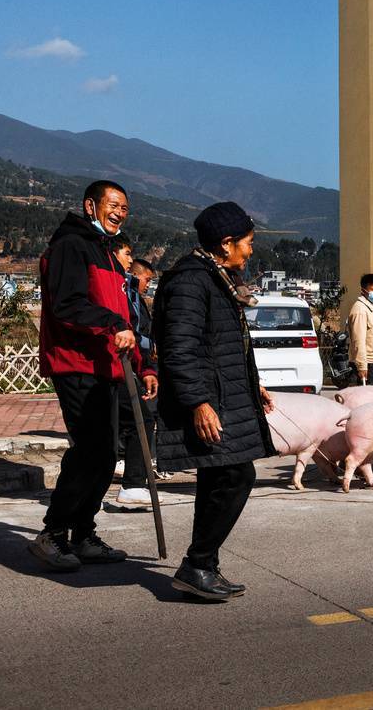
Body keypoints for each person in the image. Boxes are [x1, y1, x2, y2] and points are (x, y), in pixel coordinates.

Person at [29, 180, 157, 571]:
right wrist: (108, 324)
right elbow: (66, 305)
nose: (120, 212)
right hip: (76, 364)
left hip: (109, 367)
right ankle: (53, 533)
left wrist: (142, 363)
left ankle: (82, 533)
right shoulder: (71, 246)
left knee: (104, 456)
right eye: (113, 204)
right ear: (91, 206)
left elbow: (126, 317)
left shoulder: (105, 252)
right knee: (91, 451)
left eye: (125, 208)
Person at [153, 201, 275, 601]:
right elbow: (179, 349)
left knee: (218, 476)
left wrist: (250, 385)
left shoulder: (214, 275)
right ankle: (197, 564)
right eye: (248, 243)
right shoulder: (192, 281)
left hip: (225, 395)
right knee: (236, 476)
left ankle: (203, 566)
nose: (251, 250)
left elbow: (221, 345)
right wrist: (198, 403)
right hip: (209, 402)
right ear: (226, 244)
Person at [113, 249, 161, 508]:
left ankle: (132, 480)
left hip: (135, 364)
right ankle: (131, 480)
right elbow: (131, 329)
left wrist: (147, 368)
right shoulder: (121, 290)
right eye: (147, 280)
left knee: (141, 415)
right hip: (116, 364)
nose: (148, 286)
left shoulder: (135, 296)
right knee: (140, 416)